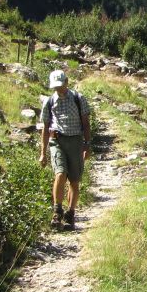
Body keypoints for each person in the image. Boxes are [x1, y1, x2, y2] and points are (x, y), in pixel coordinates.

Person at [39, 70, 91, 230]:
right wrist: (43, 153)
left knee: (74, 181)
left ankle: (70, 214)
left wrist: (87, 145)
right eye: (55, 87)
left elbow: (86, 122)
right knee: (60, 173)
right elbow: (45, 127)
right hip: (57, 141)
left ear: (66, 83)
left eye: (60, 86)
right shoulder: (49, 102)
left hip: (75, 141)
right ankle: (57, 211)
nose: (58, 89)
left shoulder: (78, 98)